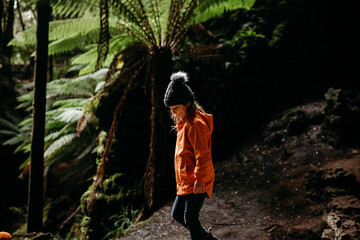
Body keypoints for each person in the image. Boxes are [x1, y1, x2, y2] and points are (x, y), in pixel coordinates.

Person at [164, 71, 219, 240]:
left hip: (196, 179)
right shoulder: (184, 123)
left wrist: (200, 179)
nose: (174, 113)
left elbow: (202, 154)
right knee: (178, 214)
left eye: (176, 108)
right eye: (171, 109)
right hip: (185, 180)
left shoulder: (196, 124)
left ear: (187, 103)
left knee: (190, 217)